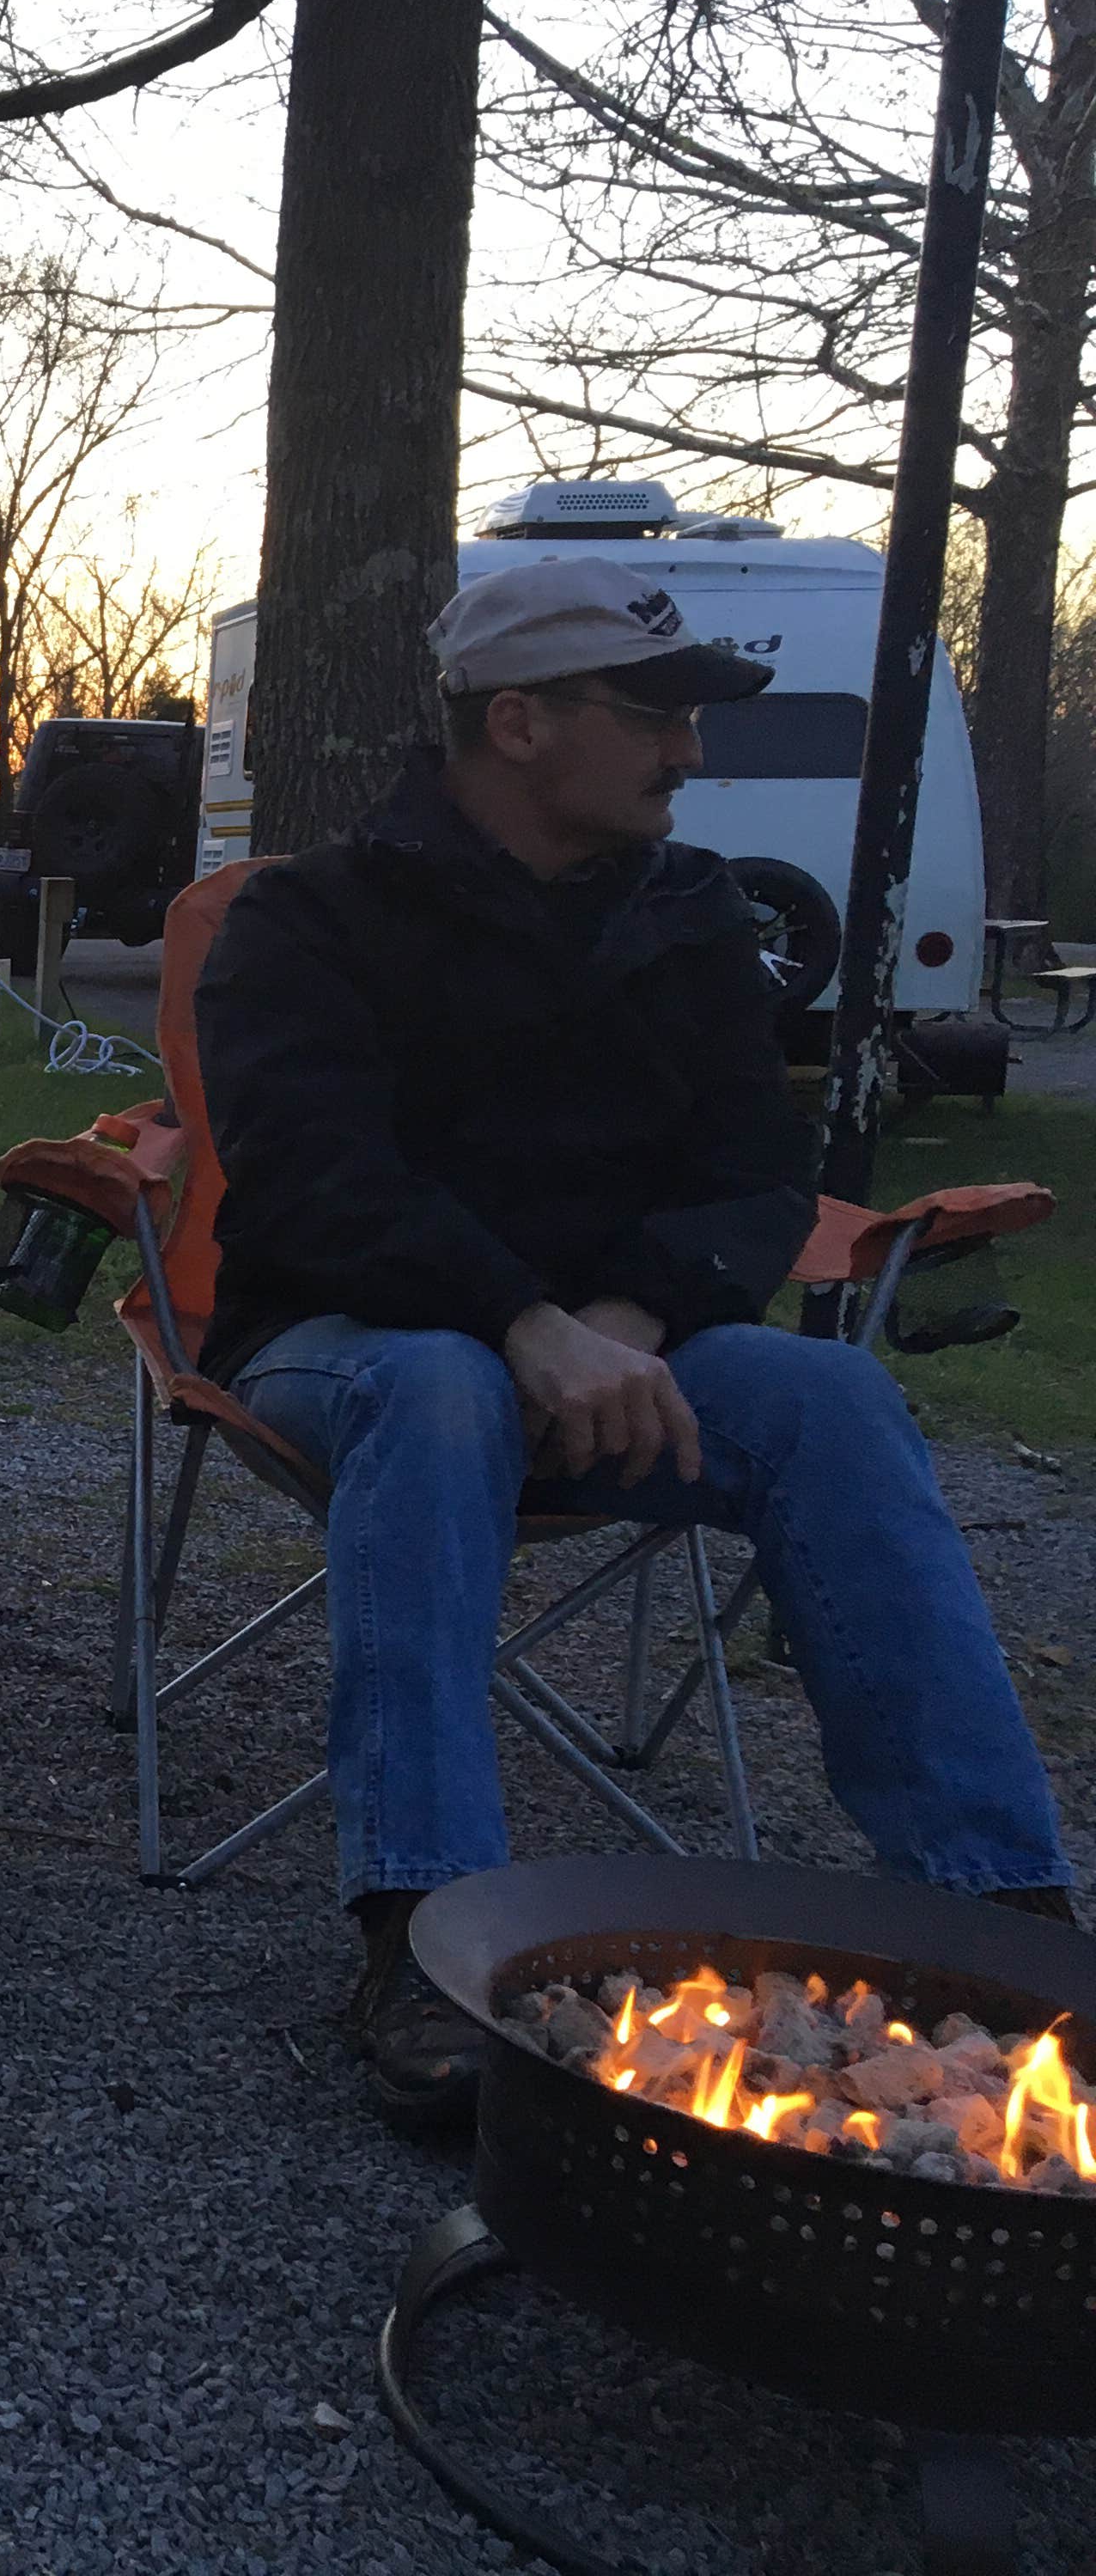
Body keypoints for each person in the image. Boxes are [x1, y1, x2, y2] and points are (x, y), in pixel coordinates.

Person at [197, 556, 1077, 2133]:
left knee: (827, 1392)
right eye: (657, 714)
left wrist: (621, 1320)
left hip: (626, 1348)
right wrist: (521, 1322)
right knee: (443, 1386)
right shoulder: (308, 921)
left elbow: (755, 1171)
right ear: (519, 723)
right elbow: (317, 1182)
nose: (691, 751)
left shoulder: (690, 918)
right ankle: (426, 1927)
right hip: (358, 1346)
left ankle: (998, 1912)